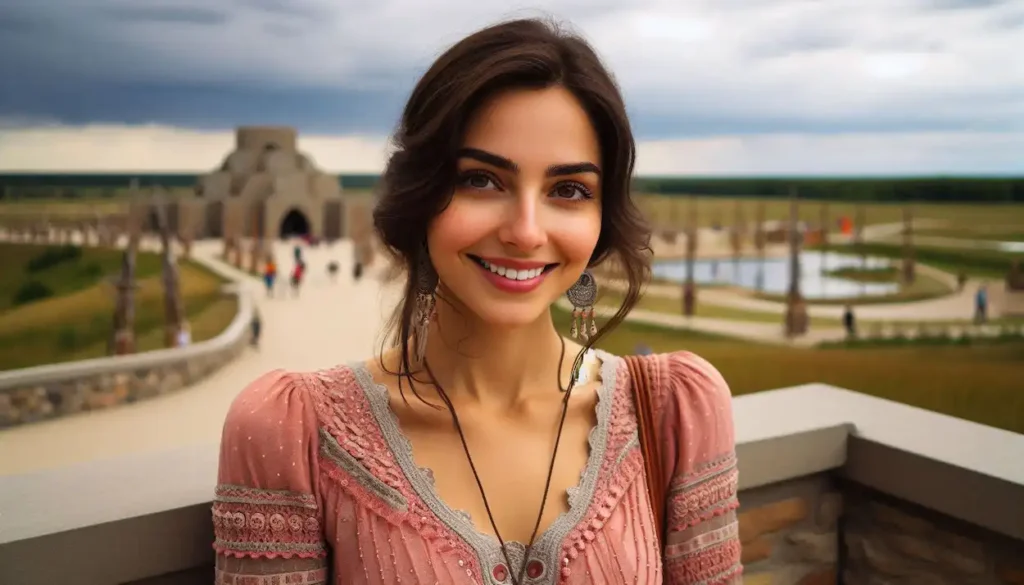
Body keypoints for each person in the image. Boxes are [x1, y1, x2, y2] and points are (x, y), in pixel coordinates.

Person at [212, 18, 741, 585]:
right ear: (419, 195)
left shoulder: (673, 411)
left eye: (568, 189)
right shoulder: (294, 430)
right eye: (482, 180)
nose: (525, 231)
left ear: (601, 218)